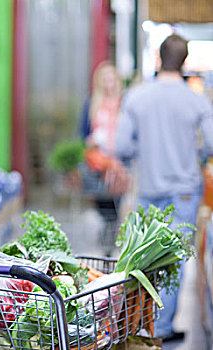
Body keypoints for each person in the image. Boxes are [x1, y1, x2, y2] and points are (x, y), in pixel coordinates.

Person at [115, 34, 213, 341]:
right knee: (174, 258)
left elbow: (121, 146)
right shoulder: (196, 100)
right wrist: (195, 156)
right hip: (184, 190)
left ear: (158, 58)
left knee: (142, 258)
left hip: (148, 188)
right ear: (184, 62)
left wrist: (142, 153)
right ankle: (165, 327)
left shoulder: (137, 97)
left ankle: (140, 325)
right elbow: (211, 143)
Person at [80, 61, 128, 255]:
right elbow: (82, 134)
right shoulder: (91, 103)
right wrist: (91, 141)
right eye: (105, 79)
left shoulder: (125, 103)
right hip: (98, 164)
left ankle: (110, 240)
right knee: (104, 204)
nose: (109, 83)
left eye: (112, 79)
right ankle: (108, 238)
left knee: (117, 205)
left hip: (119, 164)